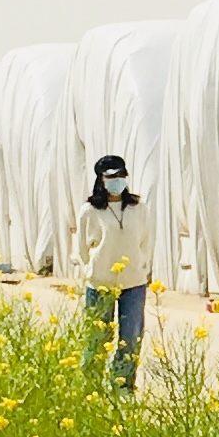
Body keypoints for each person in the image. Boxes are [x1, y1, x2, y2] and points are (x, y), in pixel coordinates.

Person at [75, 153, 151, 393]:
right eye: (111, 177)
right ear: (101, 180)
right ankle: (90, 389)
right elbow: (83, 248)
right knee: (97, 338)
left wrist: (142, 267)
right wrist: (94, 270)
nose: (117, 181)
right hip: (100, 283)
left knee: (130, 338)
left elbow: (146, 241)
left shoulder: (138, 208)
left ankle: (122, 386)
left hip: (133, 282)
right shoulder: (90, 211)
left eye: (121, 176)